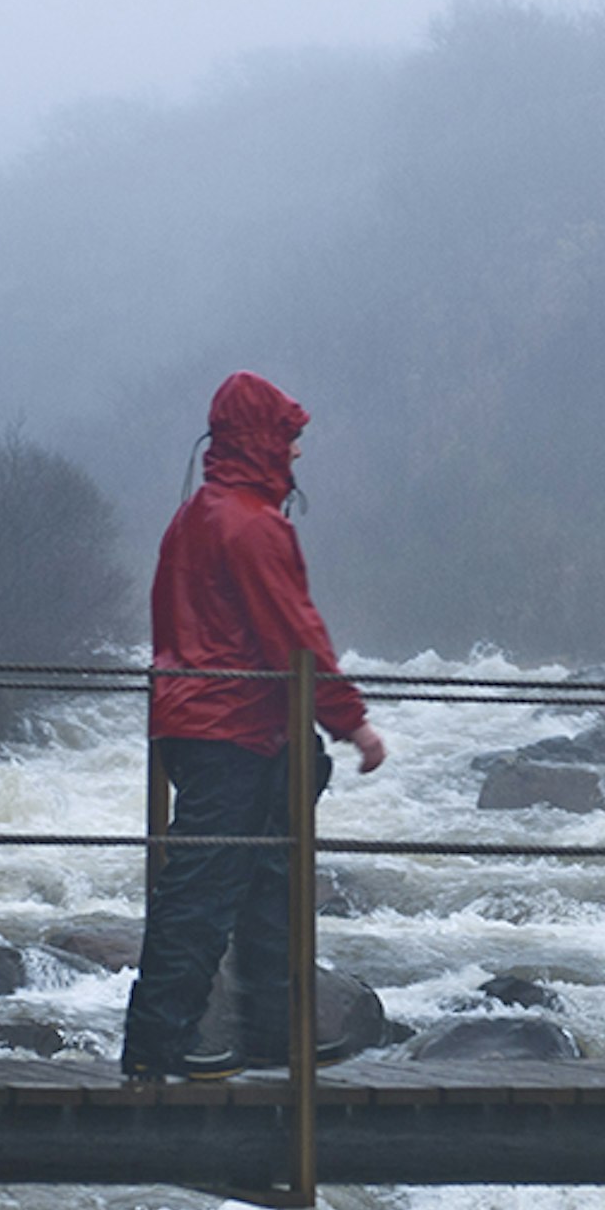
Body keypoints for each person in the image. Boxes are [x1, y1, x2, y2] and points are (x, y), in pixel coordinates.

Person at [117, 373, 385, 1086]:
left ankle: (261, 1035)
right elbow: (295, 637)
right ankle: (156, 1047)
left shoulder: (195, 517)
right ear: (263, 441)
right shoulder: (253, 525)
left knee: (263, 880)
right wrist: (353, 724)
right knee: (210, 891)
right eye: (289, 439)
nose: (297, 454)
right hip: (237, 728)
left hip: (204, 724)